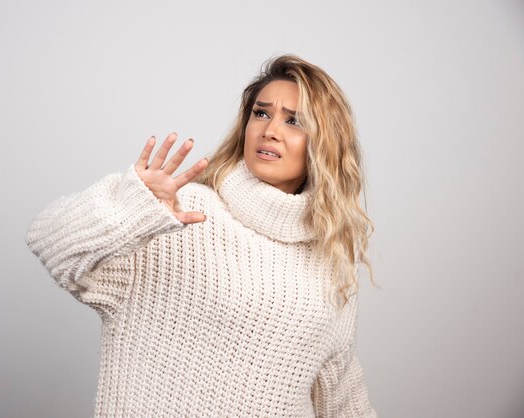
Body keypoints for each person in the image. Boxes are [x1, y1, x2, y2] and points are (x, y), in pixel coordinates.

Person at [25, 54, 378, 417]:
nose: (270, 129)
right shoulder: (181, 211)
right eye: (261, 113)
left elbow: (341, 392)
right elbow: (50, 240)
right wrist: (133, 209)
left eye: (294, 120)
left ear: (324, 143)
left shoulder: (331, 256)